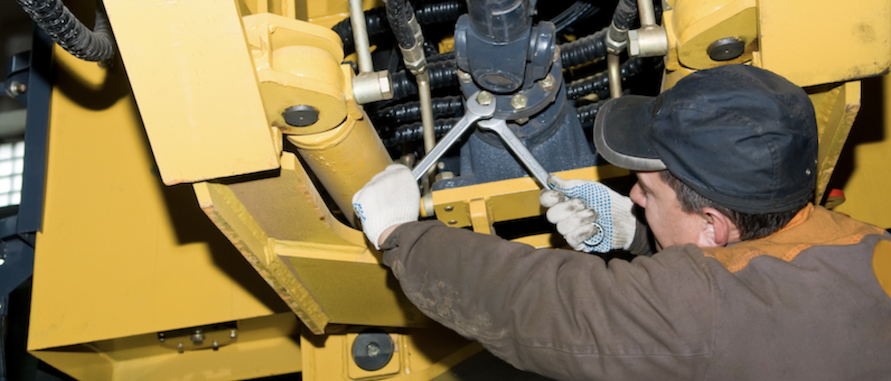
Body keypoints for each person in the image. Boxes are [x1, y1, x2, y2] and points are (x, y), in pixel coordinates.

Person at [351, 64, 891, 381]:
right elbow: (743, 284)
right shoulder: (864, 243)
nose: (631, 193)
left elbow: (545, 306)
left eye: (647, 191)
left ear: (712, 225)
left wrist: (399, 235)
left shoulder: (712, 315)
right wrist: (635, 235)